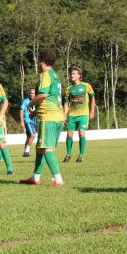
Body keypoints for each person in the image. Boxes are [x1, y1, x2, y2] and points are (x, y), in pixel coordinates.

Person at [20, 48, 65, 186]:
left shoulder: (45, 75)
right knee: (40, 148)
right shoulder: (55, 75)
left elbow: (44, 95)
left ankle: (58, 179)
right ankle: (35, 177)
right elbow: (52, 96)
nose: (38, 63)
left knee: (46, 148)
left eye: (39, 60)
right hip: (57, 115)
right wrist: (36, 111)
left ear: (43, 61)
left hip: (49, 116)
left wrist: (31, 104)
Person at [63, 66, 96, 163]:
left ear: (79, 75)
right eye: (71, 73)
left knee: (81, 133)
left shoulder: (86, 86)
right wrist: (64, 115)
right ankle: (68, 155)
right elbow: (66, 104)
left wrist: (92, 111)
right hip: (72, 115)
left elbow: (93, 98)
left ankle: (81, 155)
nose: (71, 75)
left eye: (74, 74)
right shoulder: (68, 89)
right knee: (69, 135)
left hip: (83, 114)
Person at [19, 88, 37, 157]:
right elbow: (21, 110)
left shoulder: (37, 101)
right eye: (30, 93)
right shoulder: (26, 101)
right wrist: (22, 121)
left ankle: (25, 152)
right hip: (28, 120)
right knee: (33, 135)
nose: (31, 95)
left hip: (33, 121)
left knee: (29, 136)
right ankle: (26, 152)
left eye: (33, 93)